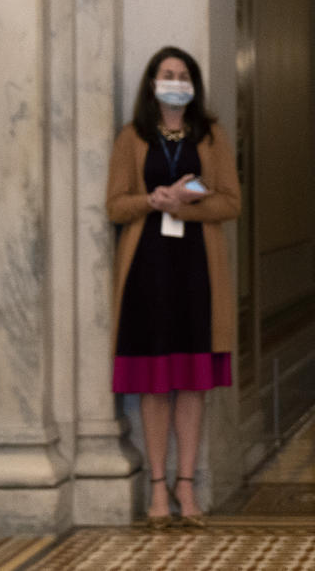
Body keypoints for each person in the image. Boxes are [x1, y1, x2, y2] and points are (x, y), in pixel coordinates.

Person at [106, 46, 240, 528]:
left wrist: (184, 203)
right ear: (152, 82)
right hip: (147, 269)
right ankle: (157, 487)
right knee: (154, 380)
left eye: (183, 75)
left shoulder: (211, 134)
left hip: (197, 270)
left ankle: (187, 484)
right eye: (167, 74)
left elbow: (231, 202)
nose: (175, 81)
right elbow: (115, 206)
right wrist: (152, 199)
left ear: (194, 84)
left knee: (192, 380)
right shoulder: (133, 136)